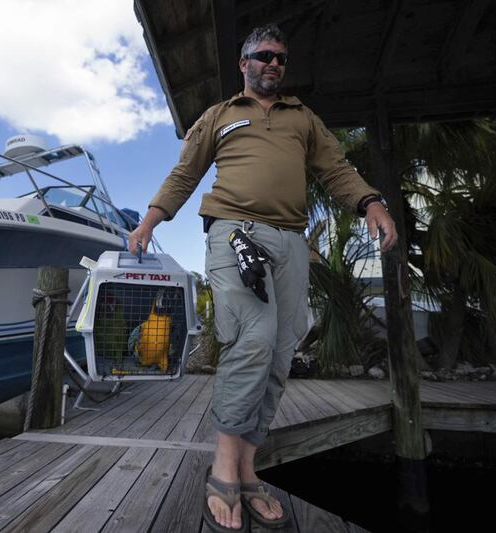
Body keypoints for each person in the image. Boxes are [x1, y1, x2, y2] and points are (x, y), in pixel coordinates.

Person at [128, 24, 397, 531]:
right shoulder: (220, 115)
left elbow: (336, 169)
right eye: (264, 55)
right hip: (235, 233)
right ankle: (223, 468)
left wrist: (371, 202)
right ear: (243, 62)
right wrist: (148, 222)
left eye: (281, 58)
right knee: (251, 338)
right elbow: (185, 173)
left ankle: (248, 467)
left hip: (291, 242)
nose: (273, 64)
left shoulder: (304, 119)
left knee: (280, 350)